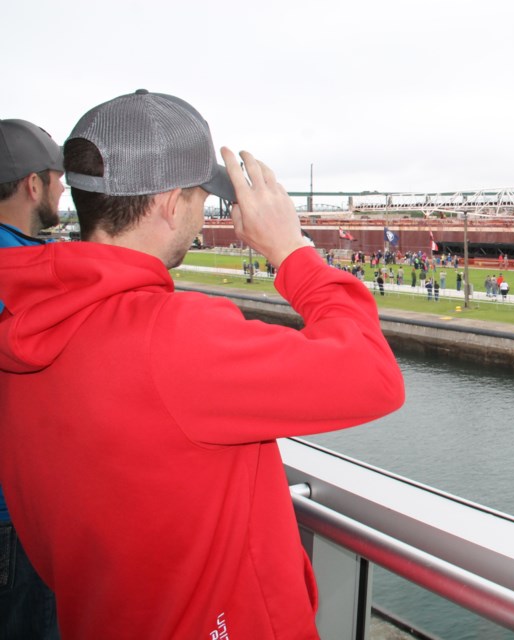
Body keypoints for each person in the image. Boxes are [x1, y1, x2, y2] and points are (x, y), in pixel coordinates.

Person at [0, 91, 405, 639]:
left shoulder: (25, 320)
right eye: (200, 198)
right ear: (171, 203)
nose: (203, 214)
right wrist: (292, 251)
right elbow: (374, 376)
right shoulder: (175, 337)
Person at [0, 118, 63, 640]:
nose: (64, 189)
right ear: (33, 185)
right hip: (15, 517)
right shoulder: (34, 274)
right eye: (57, 177)